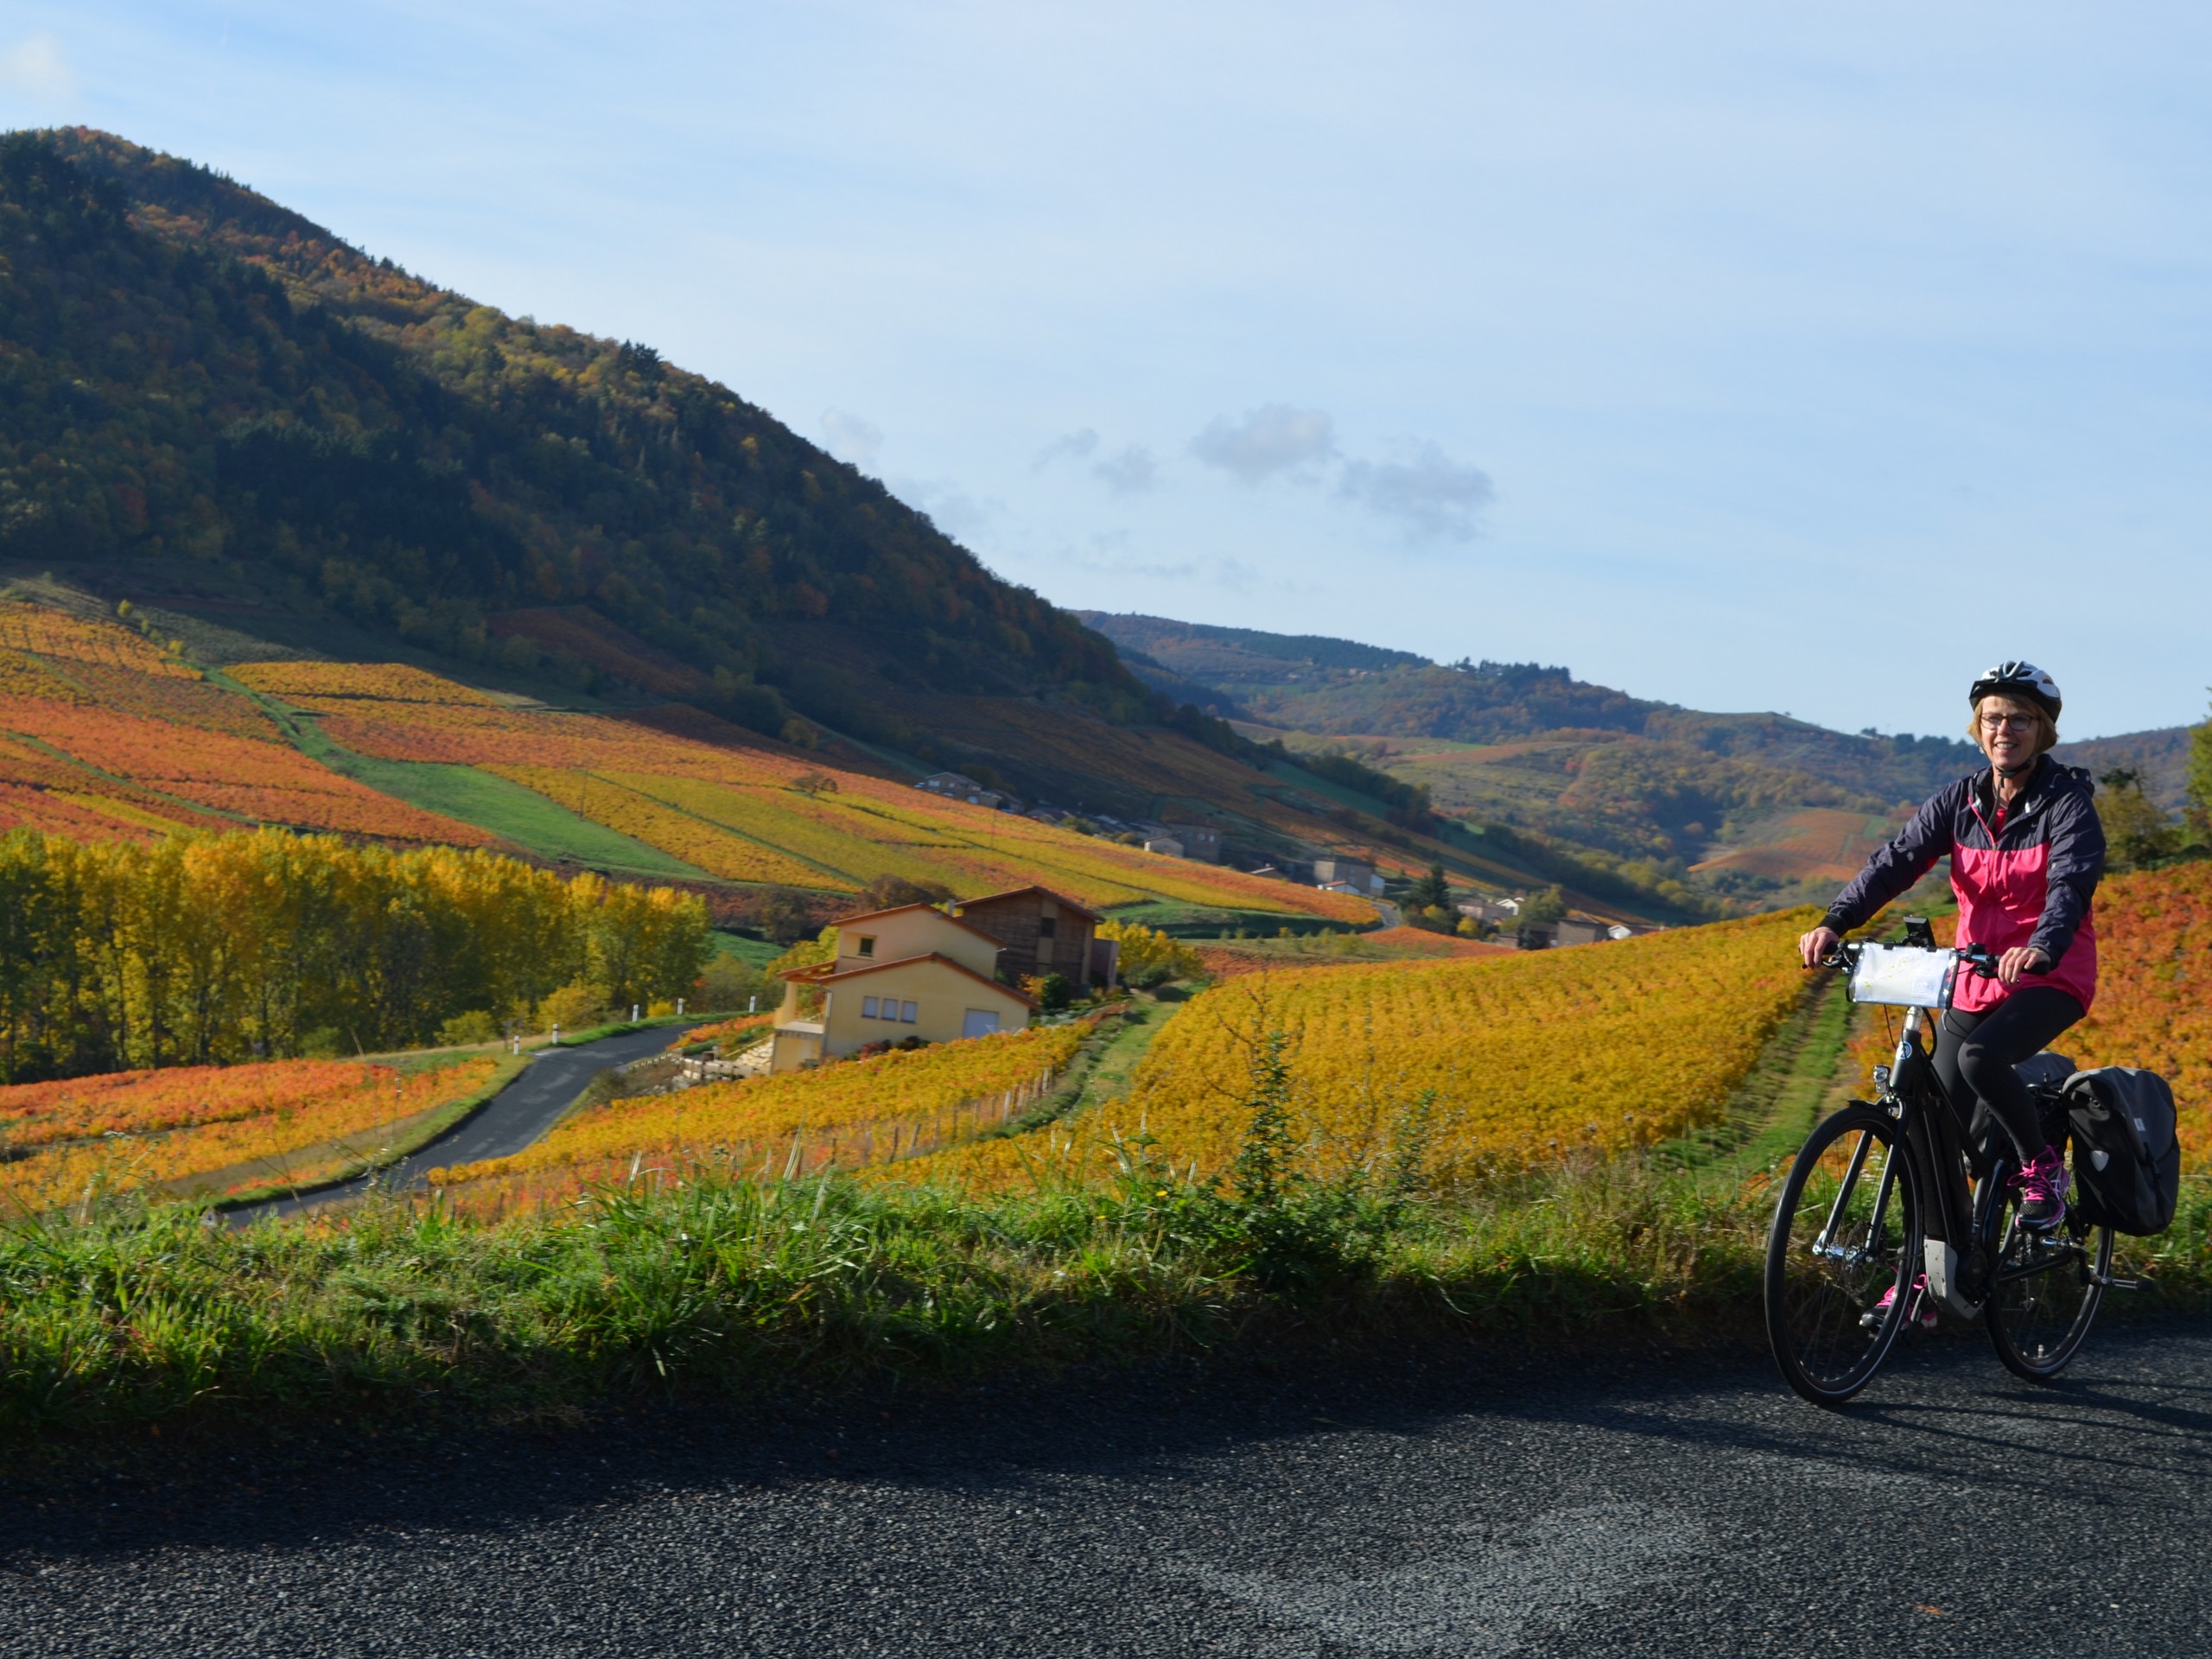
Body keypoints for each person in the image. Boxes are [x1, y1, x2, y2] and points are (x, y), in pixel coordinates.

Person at [1798, 662, 2106, 1243]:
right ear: (1977, 727)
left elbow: (2070, 886)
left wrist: (2042, 946)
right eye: (1993, 718)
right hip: (1975, 976)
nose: (2004, 729)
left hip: (2050, 975)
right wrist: (1836, 921)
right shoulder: (1959, 803)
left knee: (1978, 1058)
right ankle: (1937, 1275)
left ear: (2042, 730)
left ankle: (2042, 1168)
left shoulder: (2067, 806)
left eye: (2020, 719)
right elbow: (1896, 861)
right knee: (1931, 1127)